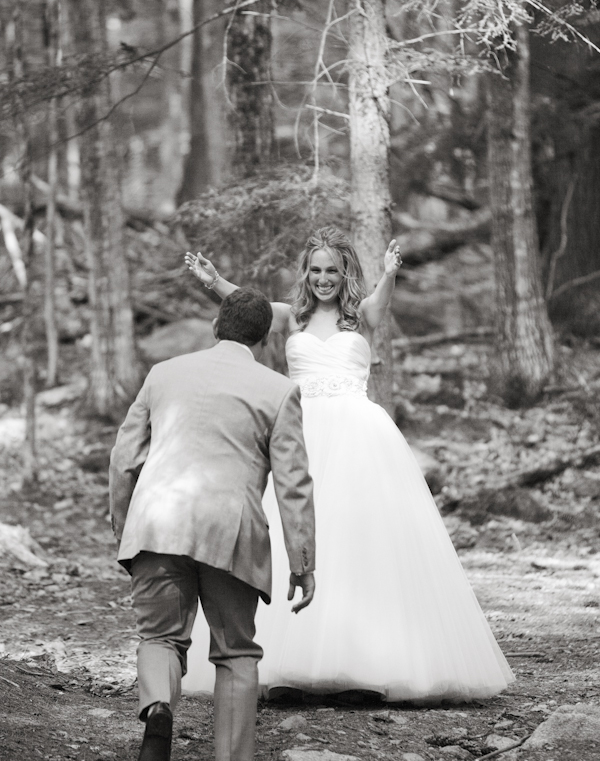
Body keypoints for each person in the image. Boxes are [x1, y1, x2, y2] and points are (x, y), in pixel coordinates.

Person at [182, 227, 515, 703]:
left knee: (358, 539)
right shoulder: (290, 318)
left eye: (331, 271)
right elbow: (247, 308)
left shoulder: (361, 316)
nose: (323, 279)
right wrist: (215, 282)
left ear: (345, 274)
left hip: (358, 436)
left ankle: (363, 667)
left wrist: (391, 273)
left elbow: (381, 301)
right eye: (315, 270)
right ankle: (288, 666)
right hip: (301, 436)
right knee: (295, 536)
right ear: (306, 274)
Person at [108, 287, 316, 761]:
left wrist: (125, 529)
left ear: (216, 325)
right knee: (236, 652)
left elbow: (123, 460)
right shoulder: (278, 390)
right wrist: (302, 561)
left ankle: (158, 708)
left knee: (160, 638)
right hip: (231, 533)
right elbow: (293, 484)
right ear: (265, 339)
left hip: (157, 524)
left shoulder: (164, 373)